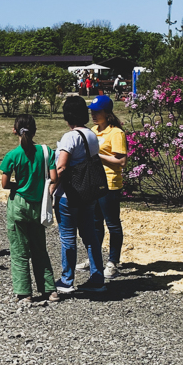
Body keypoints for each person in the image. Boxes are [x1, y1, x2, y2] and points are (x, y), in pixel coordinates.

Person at [0, 114, 60, 304]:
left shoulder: (12, 155)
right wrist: (46, 192)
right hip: (38, 205)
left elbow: (4, 183)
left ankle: (24, 292)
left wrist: (18, 186)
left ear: (14, 130)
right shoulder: (46, 151)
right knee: (39, 249)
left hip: (18, 204)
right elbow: (54, 178)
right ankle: (49, 289)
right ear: (34, 131)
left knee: (19, 251)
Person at [54, 95, 106, 293]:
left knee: (68, 237)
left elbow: (62, 167)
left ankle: (67, 280)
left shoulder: (70, 137)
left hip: (69, 194)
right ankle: (97, 277)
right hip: (89, 192)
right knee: (90, 236)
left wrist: (51, 187)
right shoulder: (91, 135)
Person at [89, 95, 127, 279]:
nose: (93, 115)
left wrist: (98, 156)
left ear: (107, 113)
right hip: (93, 182)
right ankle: (94, 258)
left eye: (97, 112)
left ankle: (113, 262)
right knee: (95, 223)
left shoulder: (116, 133)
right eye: (92, 111)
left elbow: (121, 161)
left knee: (112, 223)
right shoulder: (93, 131)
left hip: (110, 183)